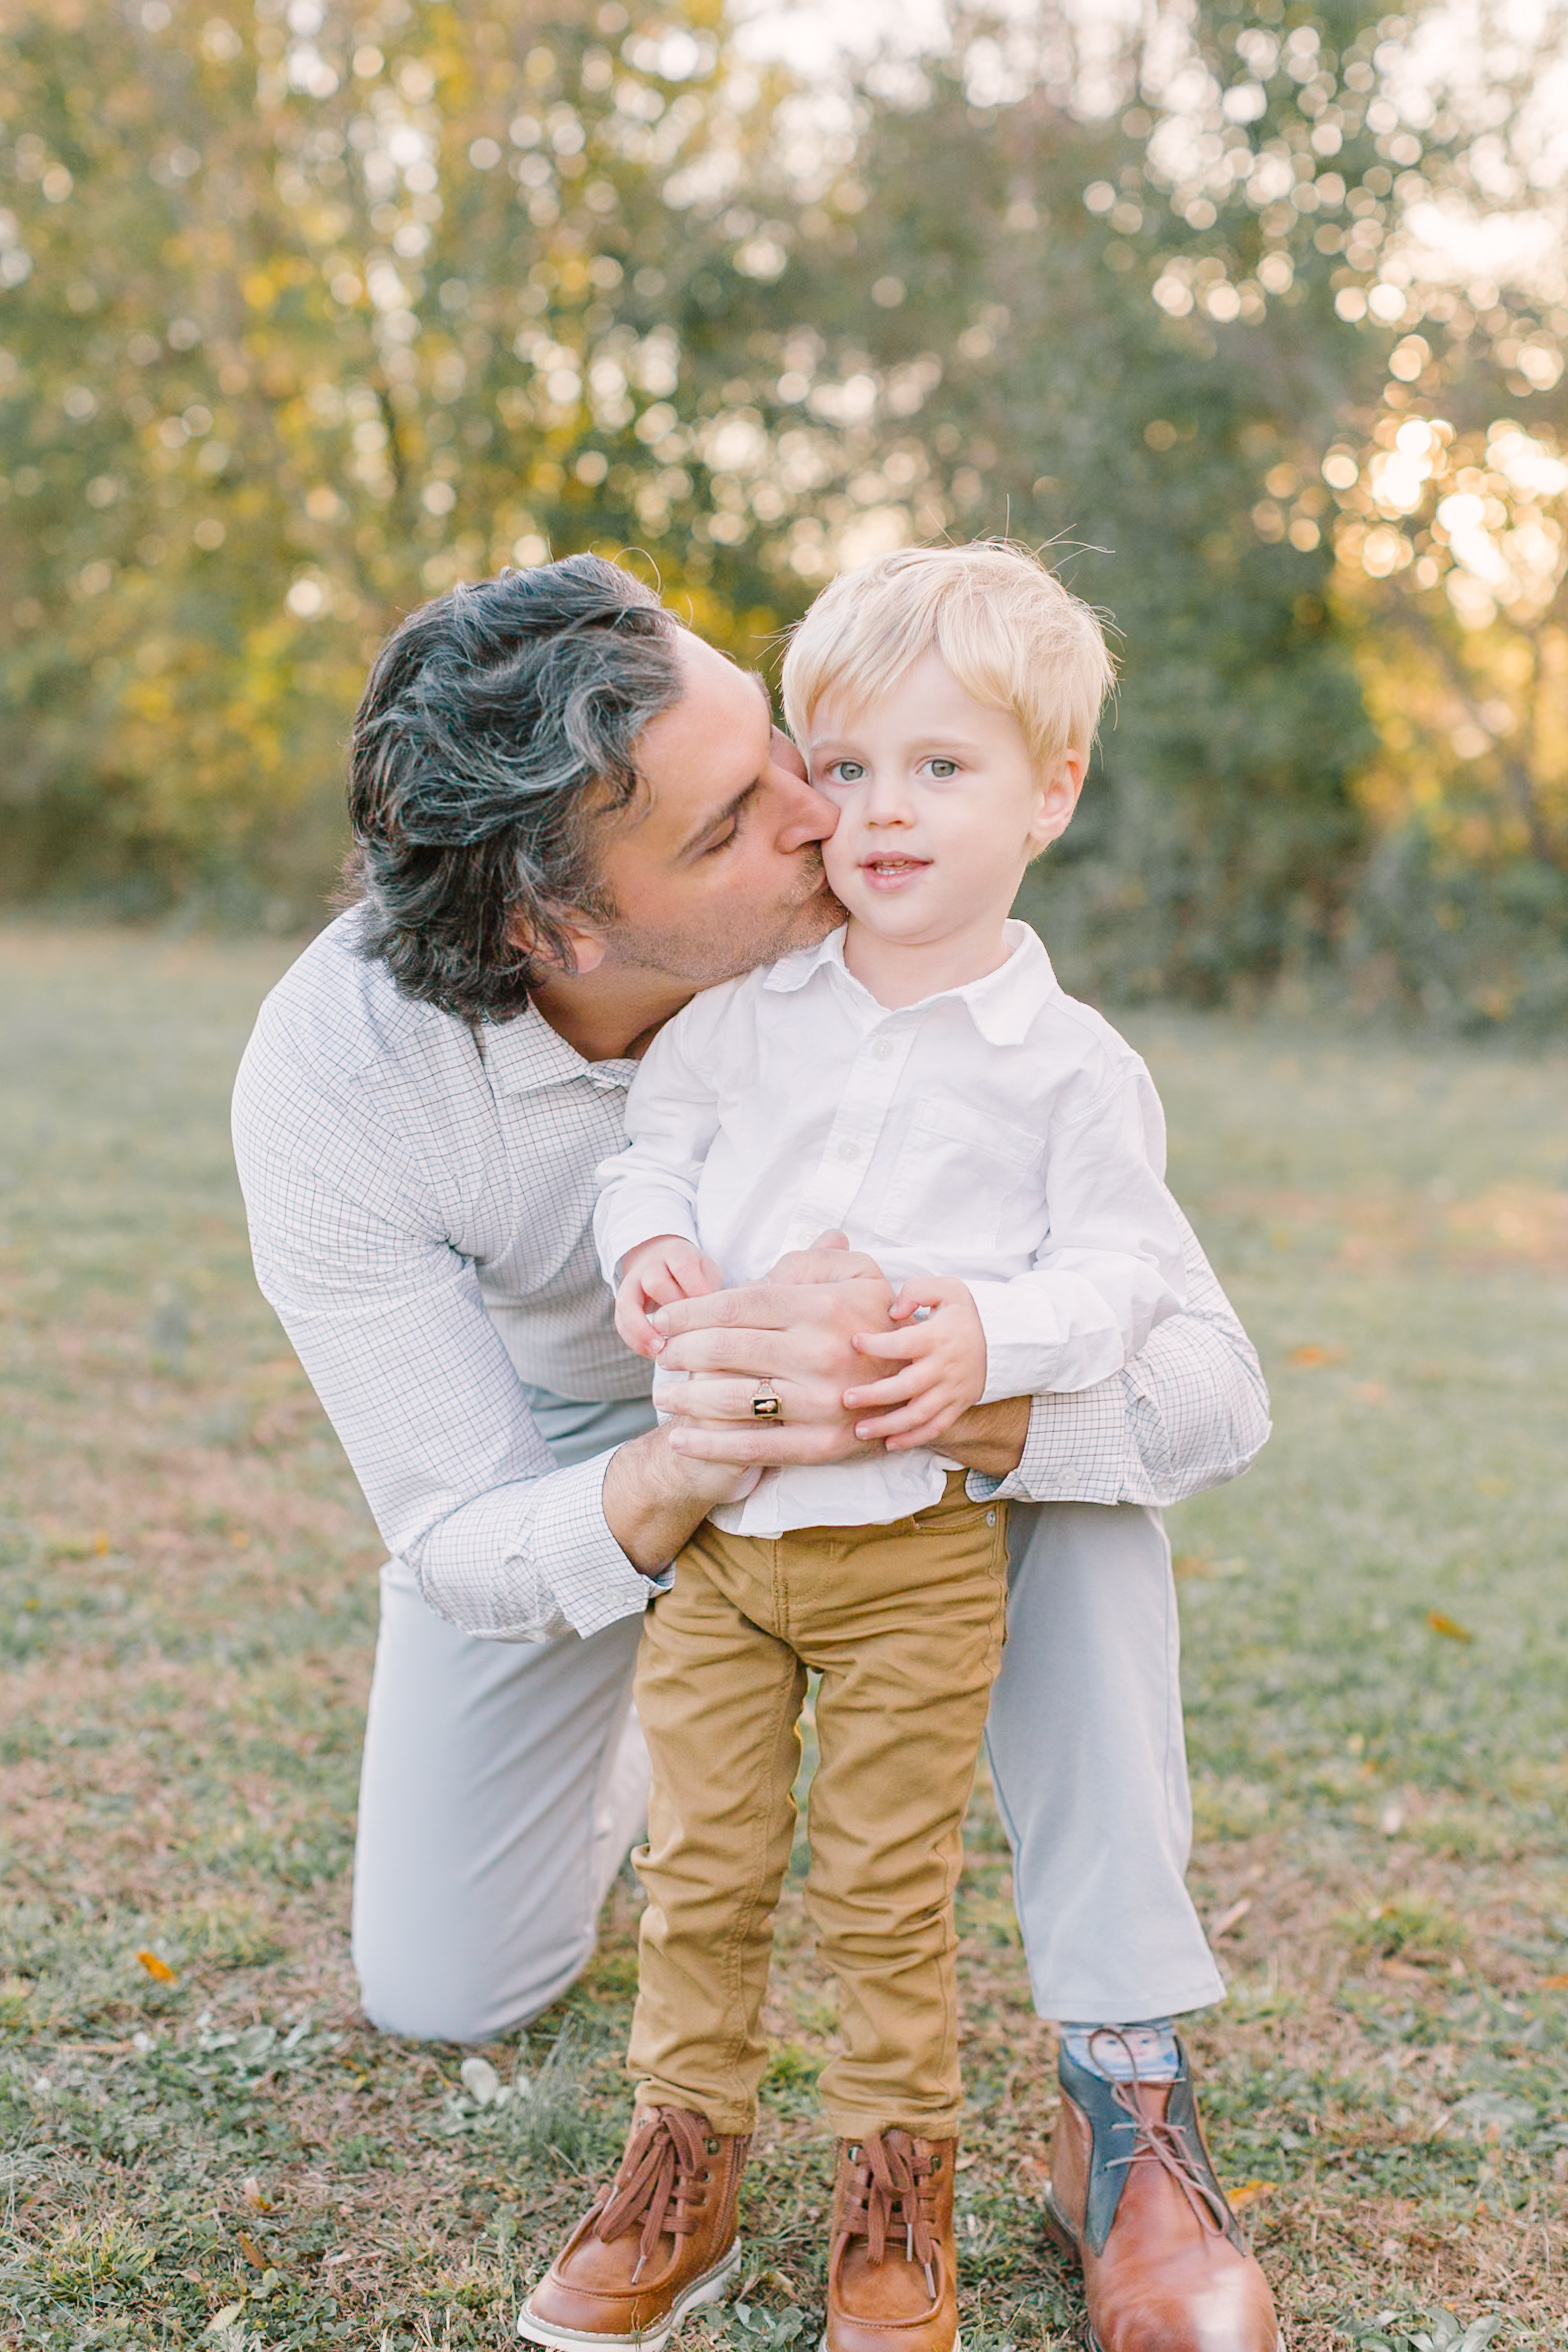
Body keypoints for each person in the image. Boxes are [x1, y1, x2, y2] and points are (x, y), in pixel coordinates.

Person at [230, 553, 1276, 2352]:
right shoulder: (342, 1088)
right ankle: (669, 1791)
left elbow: (1213, 1392)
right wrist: (680, 1459)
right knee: (444, 1981)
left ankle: (1124, 2091)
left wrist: (956, 1392)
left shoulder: (939, 979)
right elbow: (457, 1528)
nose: (832, 812)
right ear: (557, 931)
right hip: (596, 1454)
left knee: (1088, 1488)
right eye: (744, 818)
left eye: (791, 746)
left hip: (911, 1438)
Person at [518, 542, 1230, 2352]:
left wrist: (997, 1338)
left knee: (888, 1887)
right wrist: (650, 1246)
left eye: (942, 766)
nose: (879, 811)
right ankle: (677, 2170)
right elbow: (649, 1156)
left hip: (916, 1552)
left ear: (1050, 789)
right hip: (731, 1545)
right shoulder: (746, 1018)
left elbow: (1131, 1272)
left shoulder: (1068, 1067)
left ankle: (891, 2204)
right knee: (705, 1867)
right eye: (840, 766)